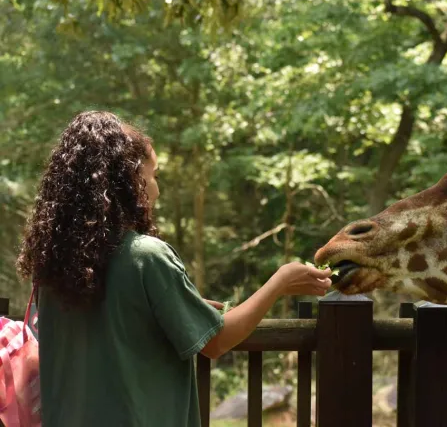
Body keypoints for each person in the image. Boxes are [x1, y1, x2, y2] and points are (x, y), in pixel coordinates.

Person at [15, 111, 332, 427]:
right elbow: (217, 342)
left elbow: (112, 325)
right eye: (154, 176)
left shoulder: (52, 267)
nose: (157, 190)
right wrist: (279, 282)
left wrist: (182, 307)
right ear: (131, 179)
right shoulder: (146, 257)